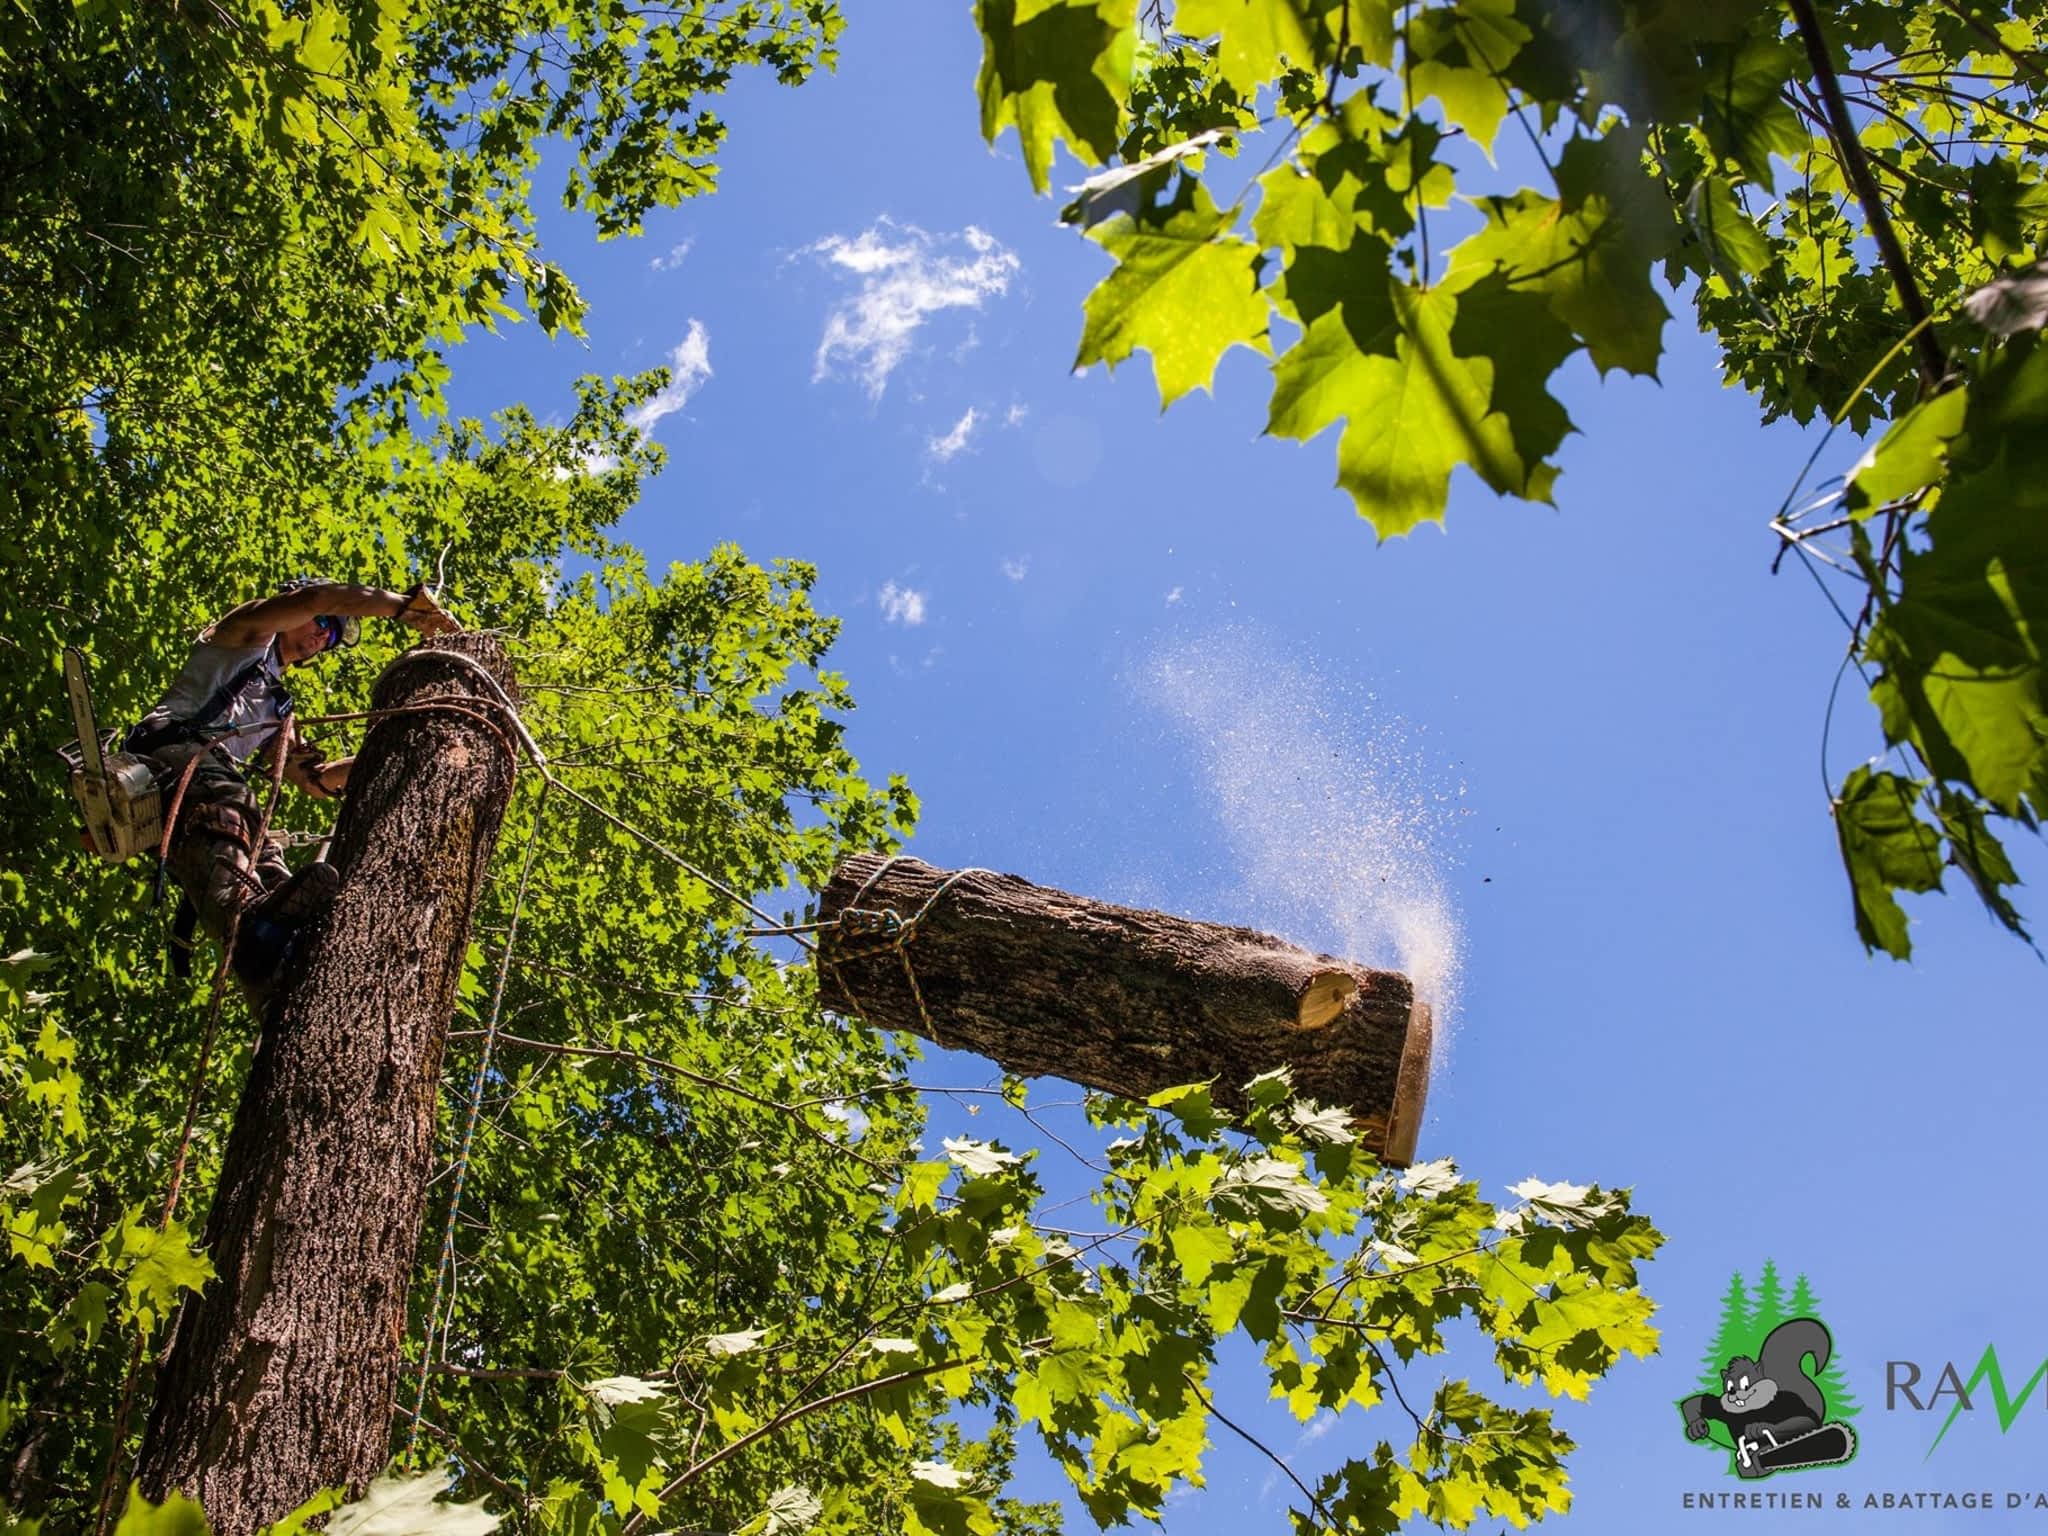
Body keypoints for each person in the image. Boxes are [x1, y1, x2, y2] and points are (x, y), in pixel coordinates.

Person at [126, 579, 458, 995]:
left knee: (263, 845)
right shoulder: (244, 632)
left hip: (208, 785)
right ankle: (244, 920)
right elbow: (321, 597)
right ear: (294, 609)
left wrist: (395, 755)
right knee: (236, 803)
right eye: (321, 623)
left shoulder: (280, 708)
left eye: (332, 636)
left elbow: (313, 781)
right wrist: (407, 609)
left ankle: (273, 941)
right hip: (171, 748)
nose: (322, 635)